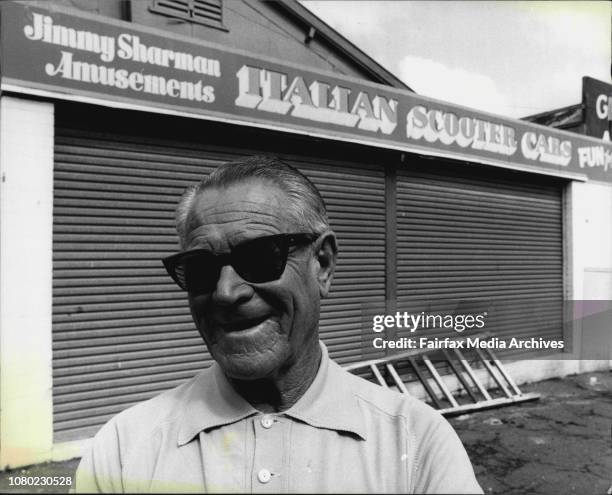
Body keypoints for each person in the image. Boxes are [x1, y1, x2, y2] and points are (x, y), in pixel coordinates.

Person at [75, 155, 483, 493]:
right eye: (201, 268)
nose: (225, 292)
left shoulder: (416, 444)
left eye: (259, 257)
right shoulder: (123, 451)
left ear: (322, 265)